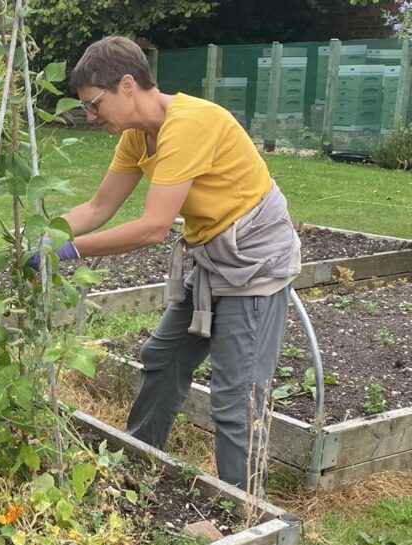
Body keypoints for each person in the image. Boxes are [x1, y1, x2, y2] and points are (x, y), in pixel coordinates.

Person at [32, 36, 301, 489]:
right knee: (163, 356)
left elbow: (154, 227)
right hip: (214, 259)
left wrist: (72, 250)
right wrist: (47, 234)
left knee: (236, 400)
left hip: (255, 263)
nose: (93, 117)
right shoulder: (139, 136)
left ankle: (246, 516)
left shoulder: (189, 125)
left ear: (128, 84)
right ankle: (136, 459)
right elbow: (99, 207)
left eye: (96, 104)